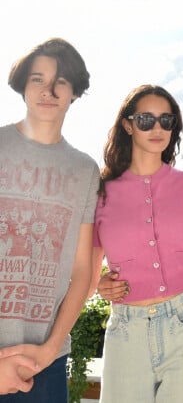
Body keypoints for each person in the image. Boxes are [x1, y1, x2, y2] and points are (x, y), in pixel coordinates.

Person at [91, 85, 183, 403]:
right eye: (146, 120)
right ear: (128, 125)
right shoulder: (101, 193)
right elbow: (86, 274)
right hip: (128, 329)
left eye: (165, 120)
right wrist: (100, 284)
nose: (157, 128)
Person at [0, 37, 100, 401]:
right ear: (23, 86)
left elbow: (82, 271)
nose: (49, 89)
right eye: (38, 79)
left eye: (60, 80)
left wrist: (48, 351)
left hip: (48, 362)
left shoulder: (85, 170)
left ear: (74, 91)